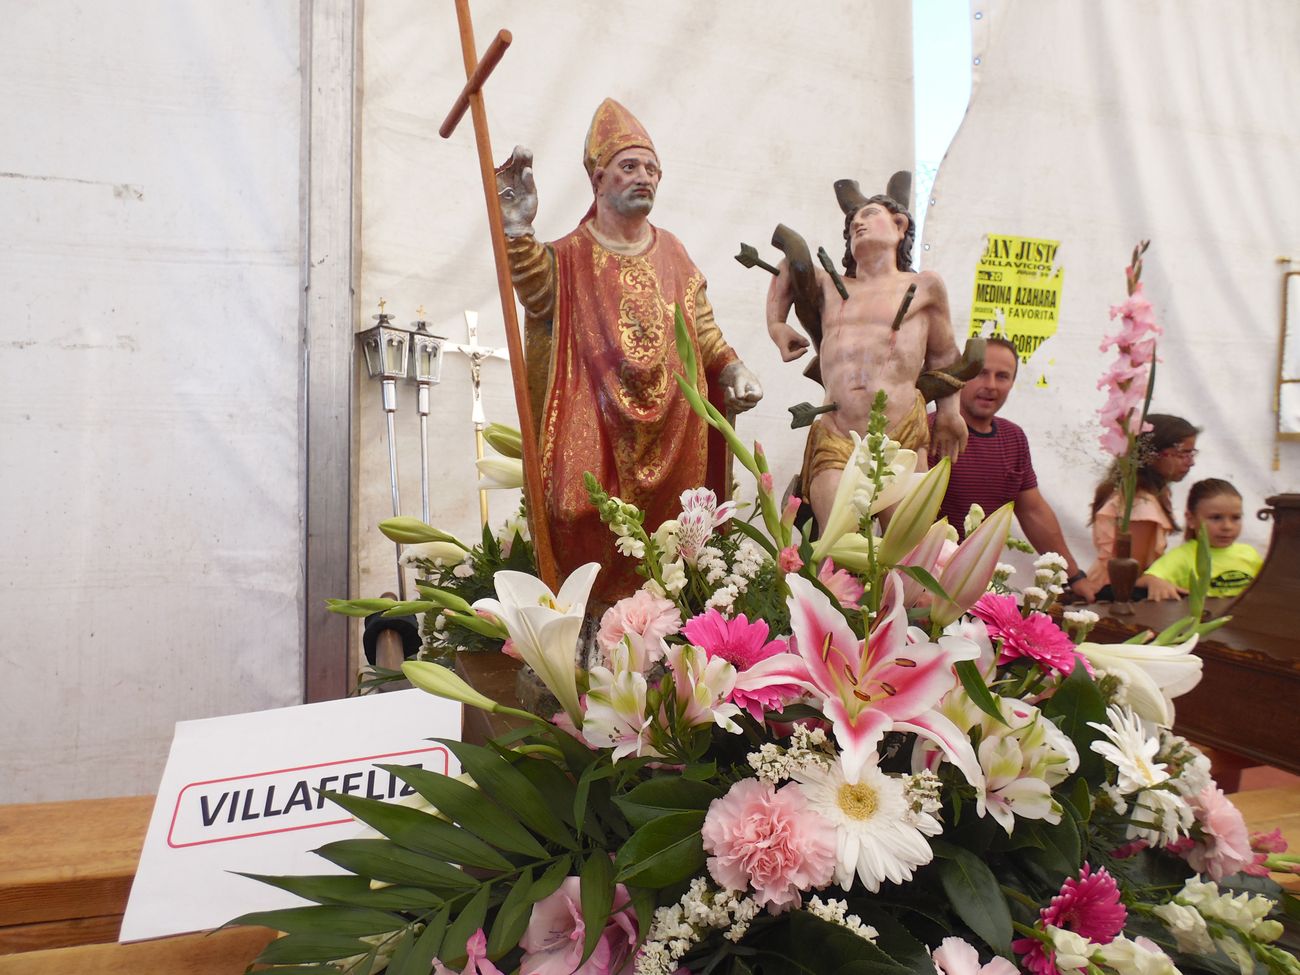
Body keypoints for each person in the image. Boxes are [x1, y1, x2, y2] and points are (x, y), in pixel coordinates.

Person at [494, 99, 763, 602]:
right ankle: (586, 619)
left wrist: (732, 368)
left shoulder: (674, 252)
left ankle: (665, 625)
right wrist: (515, 230)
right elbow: (535, 288)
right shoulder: (571, 254)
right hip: (591, 409)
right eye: (629, 166)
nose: (645, 176)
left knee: (674, 530)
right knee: (571, 508)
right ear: (598, 181)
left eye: (652, 169)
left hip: (675, 424)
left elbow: (700, 325)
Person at [765, 189, 965, 528]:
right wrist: (777, 325)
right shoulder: (830, 285)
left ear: (899, 225)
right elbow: (790, 264)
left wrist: (949, 413)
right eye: (852, 222)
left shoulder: (924, 285)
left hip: (900, 430)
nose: (857, 222)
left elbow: (944, 354)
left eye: (869, 214)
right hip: (836, 432)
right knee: (834, 546)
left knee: (902, 551)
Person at [932, 337, 1099, 601]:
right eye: (981, 374)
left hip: (981, 588)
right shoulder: (931, 429)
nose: (990, 385)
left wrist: (1073, 576)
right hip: (926, 583)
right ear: (961, 377)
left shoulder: (1013, 438)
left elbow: (1033, 511)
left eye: (1002, 376)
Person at [1083, 413, 1199, 598]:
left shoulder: (1144, 494)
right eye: (1183, 453)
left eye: (1192, 453)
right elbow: (1131, 574)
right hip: (1114, 595)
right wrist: (1153, 580)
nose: (1191, 462)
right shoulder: (1140, 506)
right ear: (1152, 455)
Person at [1138, 478, 1263, 600]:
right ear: (1191, 519)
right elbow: (1144, 580)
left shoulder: (1250, 554)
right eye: (1216, 518)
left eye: (1235, 518)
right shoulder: (1183, 556)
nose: (1227, 526)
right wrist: (1155, 582)